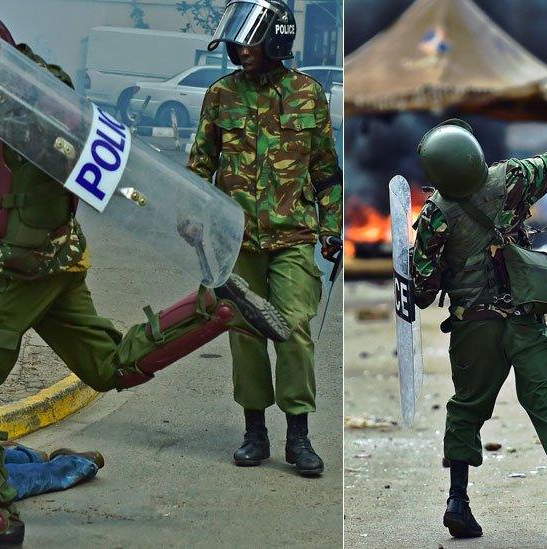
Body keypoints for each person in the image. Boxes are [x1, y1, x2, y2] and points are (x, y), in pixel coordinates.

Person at [0, 12, 293, 547]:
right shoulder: (26, 87)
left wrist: (167, 213)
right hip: (52, 264)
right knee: (105, 367)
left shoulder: (27, 104)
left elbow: (99, 170)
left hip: (20, 272)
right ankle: (214, 309)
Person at [411, 90, 547, 543]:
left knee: (466, 409)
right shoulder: (512, 178)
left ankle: (458, 501)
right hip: (524, 318)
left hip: (473, 326)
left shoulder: (436, 215)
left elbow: (421, 293)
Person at [188, 0, 342, 477]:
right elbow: (199, 166)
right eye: (236, 38)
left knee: (293, 327)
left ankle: (299, 436)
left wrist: (333, 229)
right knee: (245, 333)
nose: (240, 47)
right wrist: (193, 218)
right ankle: (255, 431)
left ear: (276, 39)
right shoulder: (220, 95)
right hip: (236, 241)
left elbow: (326, 173)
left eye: (249, 38)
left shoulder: (308, 94)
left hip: (293, 236)